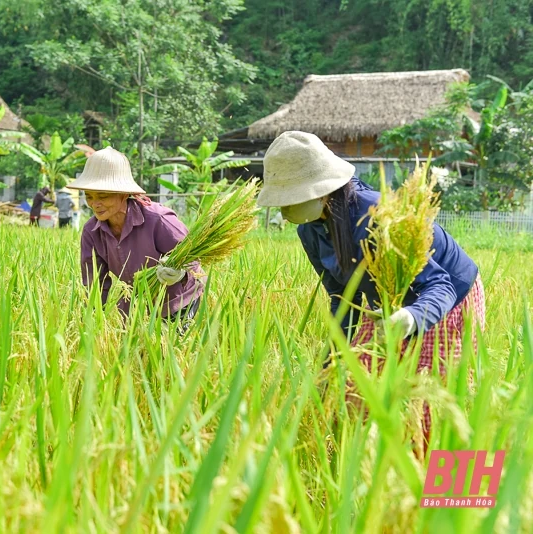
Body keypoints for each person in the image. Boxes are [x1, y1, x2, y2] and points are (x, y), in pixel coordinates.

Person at [256, 131, 485, 447]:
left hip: (445, 299)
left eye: (290, 199)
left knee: (434, 402)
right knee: (356, 384)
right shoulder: (310, 231)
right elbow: (342, 297)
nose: (283, 210)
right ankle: (370, 467)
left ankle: (443, 489)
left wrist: (411, 317)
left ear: (322, 192)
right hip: (388, 301)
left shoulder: (378, 216)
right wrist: (331, 361)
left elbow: (439, 284)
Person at [68, 146, 204, 325]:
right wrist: (92, 322)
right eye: (89, 196)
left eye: (103, 196)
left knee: (167, 349)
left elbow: (192, 257)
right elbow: (94, 283)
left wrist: (179, 271)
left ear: (123, 194)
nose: (95, 204)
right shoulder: (92, 232)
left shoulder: (158, 220)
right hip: (136, 304)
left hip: (177, 300)